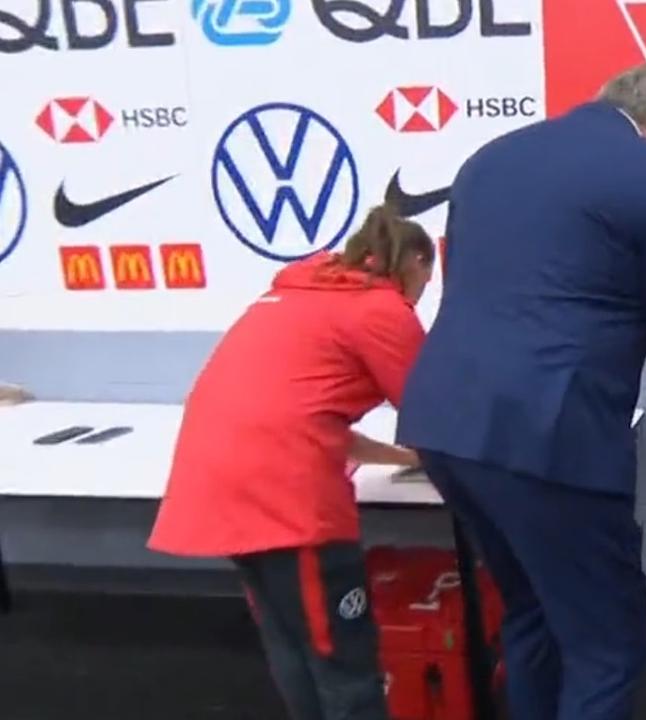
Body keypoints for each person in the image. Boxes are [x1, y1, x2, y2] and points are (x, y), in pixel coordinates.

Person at [394, 64, 646, 720]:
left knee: (531, 613)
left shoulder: (488, 161)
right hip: (549, 438)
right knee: (608, 644)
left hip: (444, 421)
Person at [148, 205, 434, 720]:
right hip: (288, 502)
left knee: (292, 646)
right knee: (344, 660)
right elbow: (439, 410)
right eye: (422, 284)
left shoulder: (296, 296)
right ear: (414, 262)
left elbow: (300, 415)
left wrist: (401, 456)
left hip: (223, 488)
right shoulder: (379, 309)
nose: (417, 299)